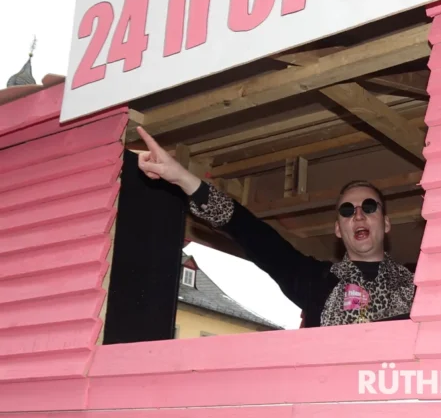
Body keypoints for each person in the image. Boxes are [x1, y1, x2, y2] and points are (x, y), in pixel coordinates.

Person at [136, 126, 415, 328]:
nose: (358, 215)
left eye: (369, 207)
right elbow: (251, 232)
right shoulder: (314, 281)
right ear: (338, 230)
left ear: (386, 223)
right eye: (347, 211)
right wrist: (183, 178)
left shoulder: (419, 284)